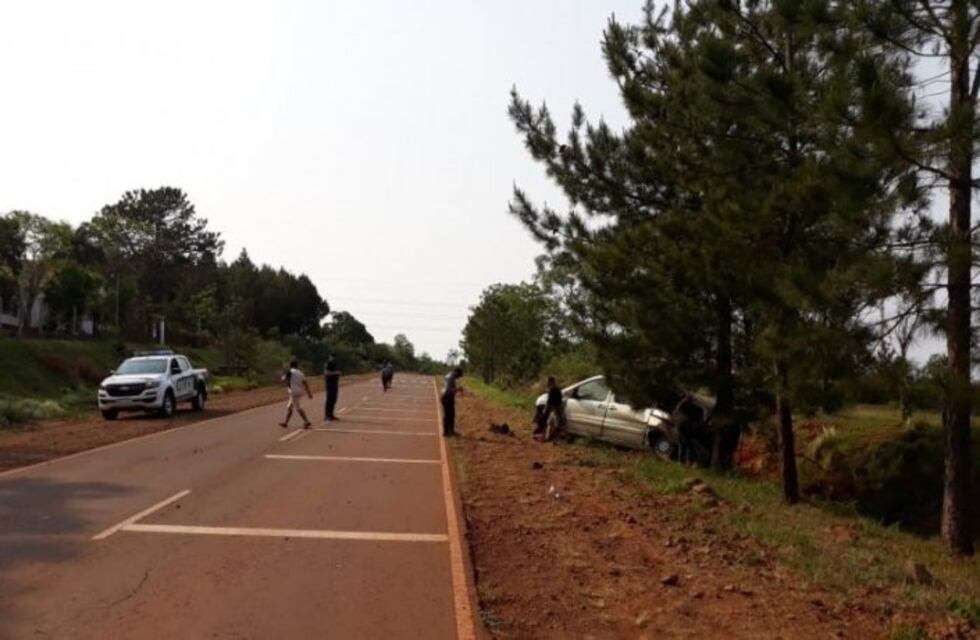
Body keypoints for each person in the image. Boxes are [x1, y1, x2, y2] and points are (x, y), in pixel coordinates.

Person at [279, 359, 313, 429]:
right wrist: (309, 393)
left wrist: (283, 375)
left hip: (293, 392)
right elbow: (305, 383)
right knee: (289, 407)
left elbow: (283, 379)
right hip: (299, 391)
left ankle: (306, 421)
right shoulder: (301, 373)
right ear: (297, 366)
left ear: (290, 365)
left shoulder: (290, 372)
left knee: (297, 407)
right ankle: (285, 423)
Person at [535, 376, 565, 441]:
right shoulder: (556, 388)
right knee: (550, 422)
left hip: (555, 408)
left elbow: (550, 401)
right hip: (556, 407)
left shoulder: (552, 389)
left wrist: (545, 409)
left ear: (550, 382)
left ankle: (555, 437)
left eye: (547, 381)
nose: (546, 383)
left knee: (557, 424)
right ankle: (547, 437)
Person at [441, 367, 464, 437]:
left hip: (448, 397)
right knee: (448, 415)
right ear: (457, 373)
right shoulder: (450, 378)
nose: (458, 378)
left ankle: (451, 431)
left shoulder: (449, 376)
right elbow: (449, 390)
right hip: (447, 397)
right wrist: (458, 389)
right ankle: (446, 432)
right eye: (459, 376)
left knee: (451, 415)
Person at [324, 355, 341, 421]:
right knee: (329, 399)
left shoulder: (335, 364)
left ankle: (331, 414)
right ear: (330, 357)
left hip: (335, 383)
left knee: (334, 399)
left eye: (334, 357)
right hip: (330, 384)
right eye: (332, 357)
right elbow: (326, 373)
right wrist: (335, 373)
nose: (333, 358)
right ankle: (327, 415)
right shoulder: (328, 364)